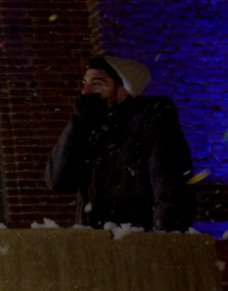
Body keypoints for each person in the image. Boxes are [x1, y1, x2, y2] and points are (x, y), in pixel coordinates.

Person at [45, 55, 193, 232]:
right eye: (85, 83)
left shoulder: (150, 117)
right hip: (100, 241)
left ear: (124, 89)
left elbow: (168, 181)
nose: (86, 91)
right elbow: (59, 180)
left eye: (97, 83)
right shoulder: (93, 129)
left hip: (136, 238)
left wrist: (165, 238)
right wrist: (78, 124)